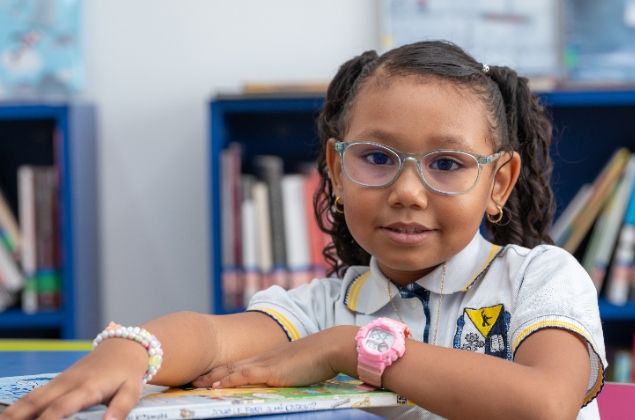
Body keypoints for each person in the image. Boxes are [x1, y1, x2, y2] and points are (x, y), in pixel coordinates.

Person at [1, 40, 606, 420]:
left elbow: (545, 403)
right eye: (375, 157)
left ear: (498, 183)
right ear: (336, 172)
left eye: (447, 164)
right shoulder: (324, 306)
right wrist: (132, 349)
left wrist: (349, 351)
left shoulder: (543, 277)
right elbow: (211, 339)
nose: (406, 191)